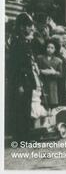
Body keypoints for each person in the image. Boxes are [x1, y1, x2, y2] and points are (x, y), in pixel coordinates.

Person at [6, 13, 38, 141]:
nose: (31, 28)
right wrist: (19, 84)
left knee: (25, 108)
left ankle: (24, 135)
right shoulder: (17, 42)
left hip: (26, 80)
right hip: (20, 80)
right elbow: (15, 66)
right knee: (20, 109)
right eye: (29, 26)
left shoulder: (22, 40)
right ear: (22, 27)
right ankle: (20, 137)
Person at [36, 39, 64, 108]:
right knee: (42, 103)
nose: (49, 49)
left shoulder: (58, 60)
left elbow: (61, 74)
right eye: (48, 47)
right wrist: (42, 71)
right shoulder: (40, 58)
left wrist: (54, 72)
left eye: (52, 48)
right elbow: (36, 69)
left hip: (52, 84)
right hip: (42, 82)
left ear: (55, 49)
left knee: (52, 103)